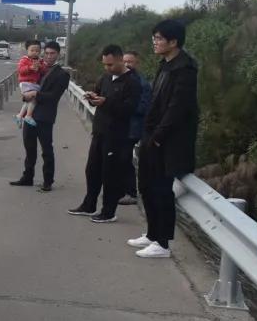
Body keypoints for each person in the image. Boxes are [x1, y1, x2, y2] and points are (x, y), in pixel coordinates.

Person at [129, 19, 199, 259]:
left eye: (159, 39)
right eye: (154, 38)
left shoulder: (185, 70)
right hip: (152, 137)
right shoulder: (165, 65)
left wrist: (158, 137)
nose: (155, 42)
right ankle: (151, 234)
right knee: (146, 187)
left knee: (161, 190)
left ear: (173, 41)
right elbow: (155, 102)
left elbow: (176, 109)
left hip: (168, 142)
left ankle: (163, 243)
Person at [67, 45, 142, 222]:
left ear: (119, 59)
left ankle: (109, 211)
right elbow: (99, 97)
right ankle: (89, 204)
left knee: (110, 174)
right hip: (99, 131)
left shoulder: (133, 82)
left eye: (110, 64)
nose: (107, 68)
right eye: (105, 65)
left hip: (117, 135)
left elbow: (130, 109)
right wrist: (92, 98)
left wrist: (106, 102)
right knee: (92, 170)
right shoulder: (105, 78)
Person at [10, 41, 69, 192]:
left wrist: (35, 94)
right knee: (29, 149)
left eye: (52, 54)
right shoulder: (38, 67)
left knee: (46, 150)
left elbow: (54, 96)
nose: (49, 57)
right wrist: (26, 95)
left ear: (58, 54)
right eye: (47, 53)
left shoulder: (62, 74)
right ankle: (27, 177)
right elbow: (25, 82)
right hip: (30, 114)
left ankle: (48, 181)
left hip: (45, 117)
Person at [118, 50, 152, 206]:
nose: (126, 64)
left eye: (130, 62)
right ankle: (120, 190)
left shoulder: (142, 83)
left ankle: (131, 193)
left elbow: (142, 108)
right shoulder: (119, 79)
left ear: (137, 63)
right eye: (124, 61)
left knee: (125, 158)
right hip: (119, 126)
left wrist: (122, 106)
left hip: (132, 128)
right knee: (117, 158)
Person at [14, 42, 46, 127]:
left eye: (37, 51)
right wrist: (30, 67)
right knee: (34, 98)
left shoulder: (40, 61)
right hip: (26, 83)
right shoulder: (24, 60)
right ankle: (28, 116)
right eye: (32, 50)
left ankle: (20, 115)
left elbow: (44, 72)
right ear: (27, 50)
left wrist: (40, 67)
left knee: (28, 101)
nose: (35, 52)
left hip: (33, 84)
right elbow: (20, 70)